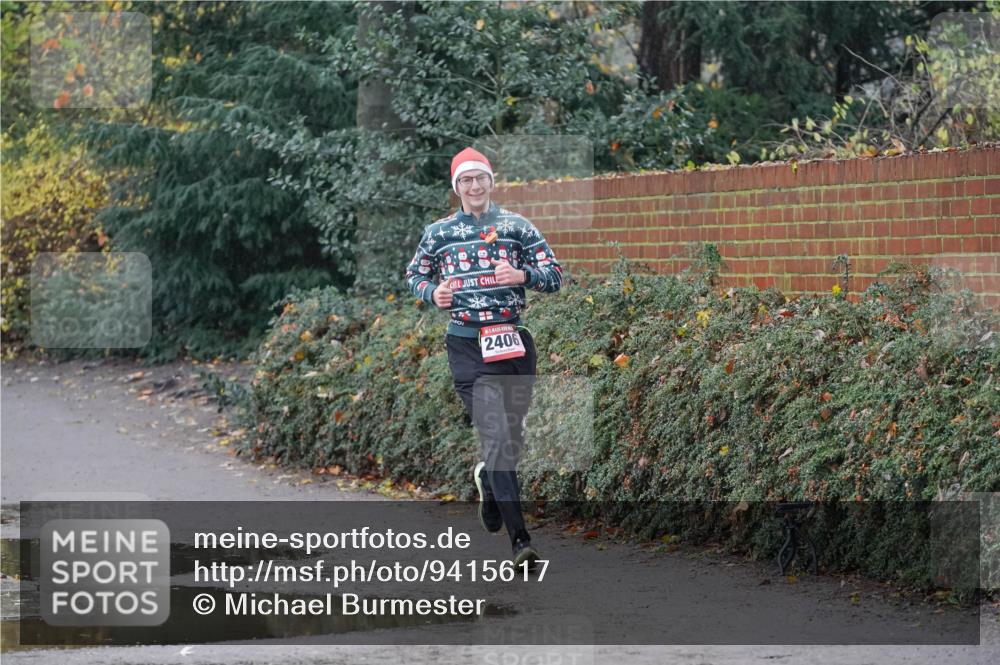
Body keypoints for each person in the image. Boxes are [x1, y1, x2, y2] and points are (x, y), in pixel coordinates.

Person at [404, 147, 563, 570]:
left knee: (510, 440)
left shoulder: (517, 227)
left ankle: (490, 485)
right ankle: (521, 543)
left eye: (481, 178)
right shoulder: (439, 233)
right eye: (466, 180)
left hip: (513, 344)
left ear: (492, 181)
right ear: (456, 187)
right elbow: (415, 273)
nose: (474, 187)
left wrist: (523, 276)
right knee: (496, 439)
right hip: (467, 346)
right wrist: (431, 293)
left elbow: (556, 276)